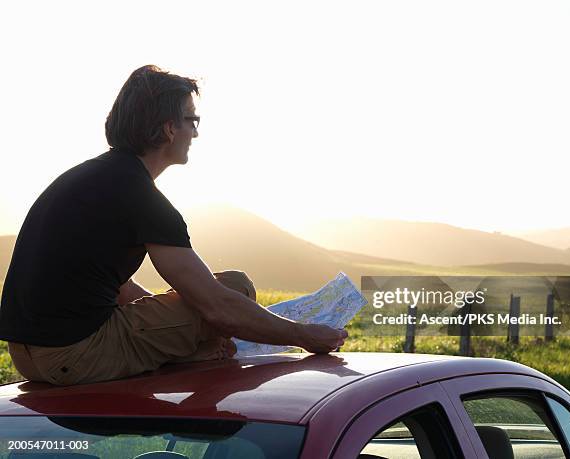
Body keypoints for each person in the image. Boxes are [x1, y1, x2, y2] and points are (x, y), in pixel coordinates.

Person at [0, 65, 347, 386]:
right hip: (77, 355)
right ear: (169, 128)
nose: (195, 132)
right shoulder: (141, 197)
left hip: (30, 356)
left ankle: (192, 353)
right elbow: (217, 307)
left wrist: (172, 324)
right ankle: (199, 362)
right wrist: (303, 335)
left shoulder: (91, 177)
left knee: (214, 297)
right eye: (192, 120)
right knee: (235, 288)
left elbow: (119, 287)